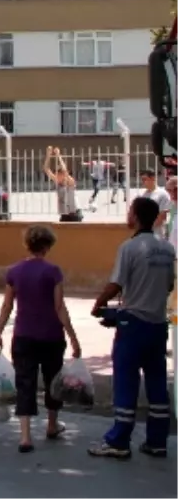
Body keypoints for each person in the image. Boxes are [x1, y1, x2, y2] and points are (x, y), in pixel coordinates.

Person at [88, 196, 177, 460]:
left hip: (133, 324)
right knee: (157, 382)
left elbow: (115, 284)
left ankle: (119, 441)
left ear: (136, 216)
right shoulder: (166, 248)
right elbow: (169, 286)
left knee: (126, 381)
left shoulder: (130, 247)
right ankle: (157, 441)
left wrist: (99, 304)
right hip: (158, 324)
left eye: (130, 211)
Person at [0, 225, 82, 454]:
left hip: (23, 335)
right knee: (53, 381)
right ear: (47, 246)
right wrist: (73, 338)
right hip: (51, 336)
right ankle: (52, 425)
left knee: (25, 383)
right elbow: (60, 307)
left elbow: (6, 306)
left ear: (28, 244)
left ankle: (25, 436)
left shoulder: (14, 271)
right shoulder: (53, 271)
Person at [43, 146, 82, 222]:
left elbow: (64, 170)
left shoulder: (70, 181)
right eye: (57, 173)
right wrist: (48, 156)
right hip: (64, 213)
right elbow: (46, 169)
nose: (57, 174)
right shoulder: (57, 181)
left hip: (74, 213)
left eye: (60, 173)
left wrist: (58, 156)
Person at [140, 169, 172, 235]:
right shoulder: (144, 194)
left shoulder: (162, 194)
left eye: (144, 179)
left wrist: (148, 229)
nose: (142, 182)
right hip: (145, 233)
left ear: (152, 178)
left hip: (157, 234)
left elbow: (162, 216)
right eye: (142, 180)